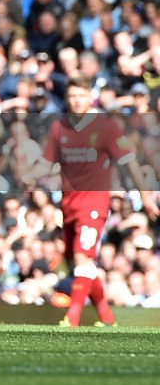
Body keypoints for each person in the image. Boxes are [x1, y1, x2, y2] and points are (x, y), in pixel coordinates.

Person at [35, 75, 158, 327]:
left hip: (94, 202)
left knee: (82, 258)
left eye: (81, 95)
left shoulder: (106, 127)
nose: (77, 101)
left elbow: (129, 162)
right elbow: (46, 164)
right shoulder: (60, 127)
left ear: (89, 97)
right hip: (68, 203)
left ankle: (72, 319)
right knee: (79, 263)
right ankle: (107, 317)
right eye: (72, 96)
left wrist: (145, 195)